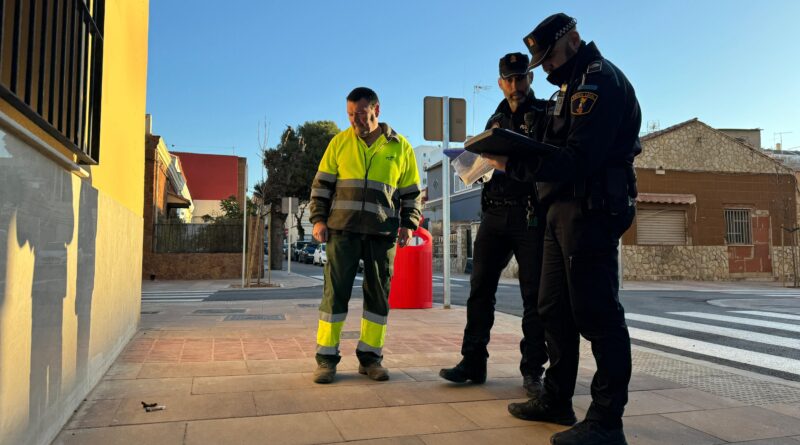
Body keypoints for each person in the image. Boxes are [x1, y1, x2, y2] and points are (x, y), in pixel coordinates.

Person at [482, 14, 641, 445]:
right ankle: (556, 398)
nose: (544, 68)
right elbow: (552, 149)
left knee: (597, 312)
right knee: (552, 306)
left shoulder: (598, 80)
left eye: (548, 56)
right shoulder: (567, 89)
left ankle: (607, 421)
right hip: (559, 210)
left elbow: (577, 158)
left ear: (572, 40)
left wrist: (511, 162)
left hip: (590, 209)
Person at [439, 52, 550, 397]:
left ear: (530, 79)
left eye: (520, 78)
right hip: (494, 214)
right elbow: (488, 164)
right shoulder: (495, 118)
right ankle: (473, 362)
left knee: (534, 296)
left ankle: (533, 371)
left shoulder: (545, 115)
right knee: (479, 291)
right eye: (509, 80)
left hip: (529, 214)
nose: (515, 86)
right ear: (500, 82)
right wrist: (472, 164)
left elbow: (550, 160)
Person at [309, 87, 422, 384]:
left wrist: (409, 224)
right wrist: (318, 220)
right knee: (335, 295)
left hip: (381, 233)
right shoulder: (339, 143)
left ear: (376, 110)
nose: (355, 121)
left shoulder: (401, 147)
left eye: (360, 114)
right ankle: (326, 360)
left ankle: (371, 358)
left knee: (378, 297)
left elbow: (411, 193)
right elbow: (321, 187)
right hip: (342, 231)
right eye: (349, 115)